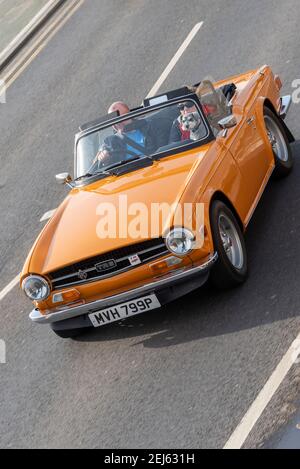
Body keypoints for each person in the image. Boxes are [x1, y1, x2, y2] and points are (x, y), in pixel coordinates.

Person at [95, 101, 156, 167]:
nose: (117, 123)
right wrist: (104, 158)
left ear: (129, 116)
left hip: (154, 165)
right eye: (113, 121)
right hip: (127, 172)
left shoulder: (149, 126)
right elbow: (99, 161)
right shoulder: (110, 141)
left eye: (120, 119)